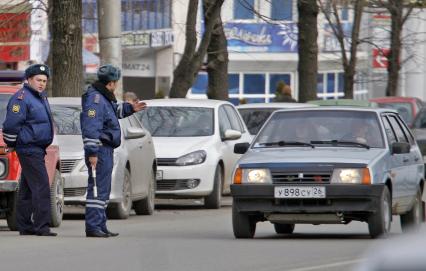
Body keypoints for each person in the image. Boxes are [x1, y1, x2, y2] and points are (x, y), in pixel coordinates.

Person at [80, 64, 146, 238]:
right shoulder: (95, 99)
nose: (116, 85)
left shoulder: (104, 97)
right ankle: (93, 226)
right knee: (97, 189)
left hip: (106, 150)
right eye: (116, 82)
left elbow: (113, 112)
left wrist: (130, 108)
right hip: (99, 150)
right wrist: (92, 152)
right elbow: (91, 127)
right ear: (112, 83)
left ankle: (100, 225)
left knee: (103, 189)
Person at [2, 64, 57, 236]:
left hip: (37, 148)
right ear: (29, 80)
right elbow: (11, 125)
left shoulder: (40, 97)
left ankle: (25, 225)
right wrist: (12, 144)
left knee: (26, 189)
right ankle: (42, 226)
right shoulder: (22, 98)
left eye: (44, 81)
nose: (41, 83)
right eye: (38, 80)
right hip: (29, 148)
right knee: (41, 187)